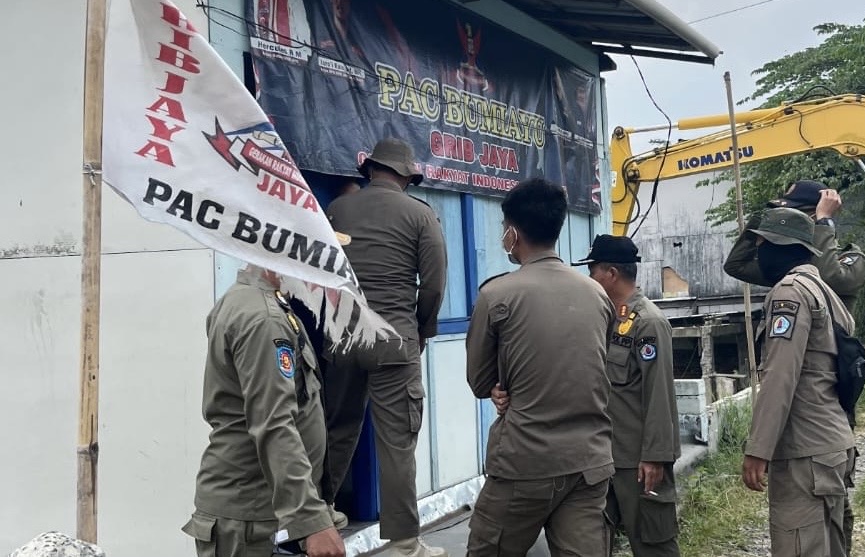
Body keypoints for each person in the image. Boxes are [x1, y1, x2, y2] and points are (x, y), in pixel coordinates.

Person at [465, 178, 616, 556]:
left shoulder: (496, 294)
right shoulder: (596, 293)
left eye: (504, 229)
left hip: (524, 463)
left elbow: (481, 380)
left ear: (512, 234)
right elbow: (593, 362)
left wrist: (502, 387)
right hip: (589, 463)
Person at [323, 138, 448, 557]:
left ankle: (318, 517)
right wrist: (422, 329)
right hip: (395, 339)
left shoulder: (339, 209)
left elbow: (322, 268)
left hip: (342, 335)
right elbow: (432, 284)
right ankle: (404, 543)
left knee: (335, 426)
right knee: (397, 442)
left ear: (372, 170)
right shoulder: (421, 215)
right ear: (407, 176)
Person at [181, 265, 345, 557]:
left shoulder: (260, 302)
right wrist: (310, 521)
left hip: (259, 511)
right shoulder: (264, 318)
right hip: (251, 519)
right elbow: (274, 423)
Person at [740, 208, 857, 557]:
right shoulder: (823, 289)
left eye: (762, 245)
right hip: (831, 443)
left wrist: (757, 449)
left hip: (805, 449)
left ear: (782, 247)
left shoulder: (789, 293)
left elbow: (779, 375)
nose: (758, 253)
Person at [573, 235, 681, 557]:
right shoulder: (605, 319)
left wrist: (655, 456)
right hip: (602, 458)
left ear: (610, 274)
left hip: (638, 462)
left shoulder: (648, 323)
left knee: (652, 545)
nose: (589, 279)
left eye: (592, 271)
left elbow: (660, 394)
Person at [723, 180, 865, 312]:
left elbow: (826, 278)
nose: (786, 221)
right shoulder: (789, 261)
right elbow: (736, 265)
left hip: (829, 341)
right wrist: (761, 219)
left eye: (796, 215)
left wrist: (823, 222)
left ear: (814, 215)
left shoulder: (852, 258)